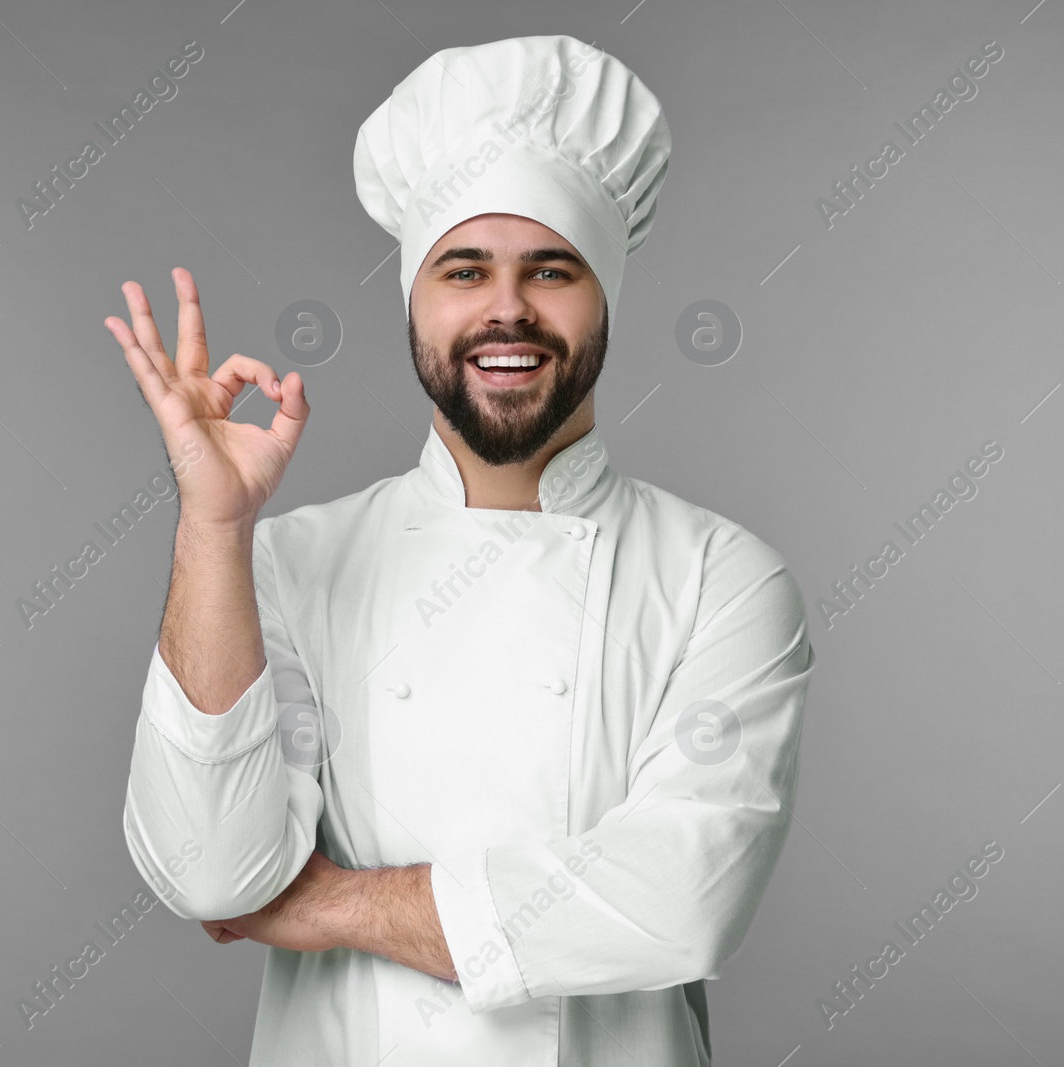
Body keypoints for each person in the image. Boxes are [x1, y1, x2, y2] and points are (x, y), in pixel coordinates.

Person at [108, 34, 814, 1066]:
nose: (507, 308)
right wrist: (213, 525)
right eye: (464, 269)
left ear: (603, 298)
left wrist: (322, 904)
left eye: (551, 270)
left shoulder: (722, 578)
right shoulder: (291, 563)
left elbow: (680, 898)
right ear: (416, 302)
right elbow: (210, 869)